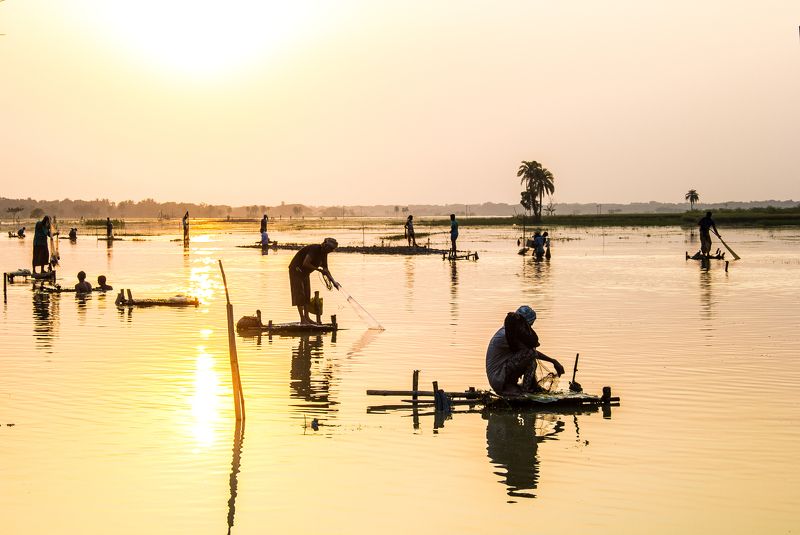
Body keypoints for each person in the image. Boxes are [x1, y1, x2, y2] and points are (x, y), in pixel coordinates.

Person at [485, 305, 564, 395]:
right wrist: (553, 361)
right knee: (530, 353)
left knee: (531, 358)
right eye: (529, 325)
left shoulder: (513, 332)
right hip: (498, 379)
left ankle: (528, 387)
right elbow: (531, 353)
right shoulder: (508, 334)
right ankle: (518, 389)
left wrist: (552, 361)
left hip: (501, 374)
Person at [288, 238, 340, 324]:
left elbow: (326, 269)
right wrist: (319, 270)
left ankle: (307, 318)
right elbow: (306, 263)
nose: (330, 251)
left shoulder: (324, 254)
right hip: (296, 270)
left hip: (305, 272)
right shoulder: (314, 249)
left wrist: (334, 282)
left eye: (332, 250)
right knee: (300, 294)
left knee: (307, 294)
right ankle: (302, 319)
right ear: (325, 246)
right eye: (330, 249)